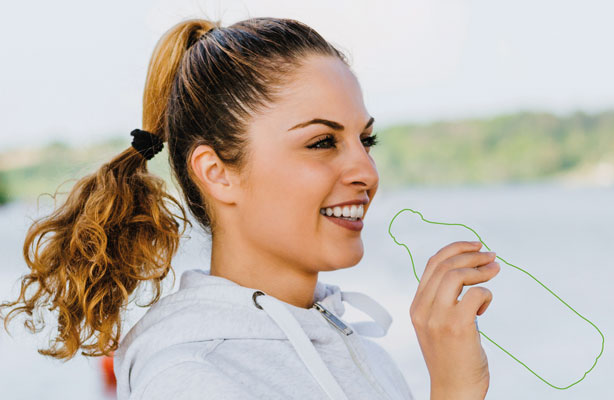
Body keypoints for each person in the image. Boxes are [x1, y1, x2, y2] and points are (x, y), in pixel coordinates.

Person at [0, 17, 501, 399]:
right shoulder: (189, 377)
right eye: (323, 142)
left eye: (365, 139)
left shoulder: (368, 357)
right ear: (217, 172)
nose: (366, 171)